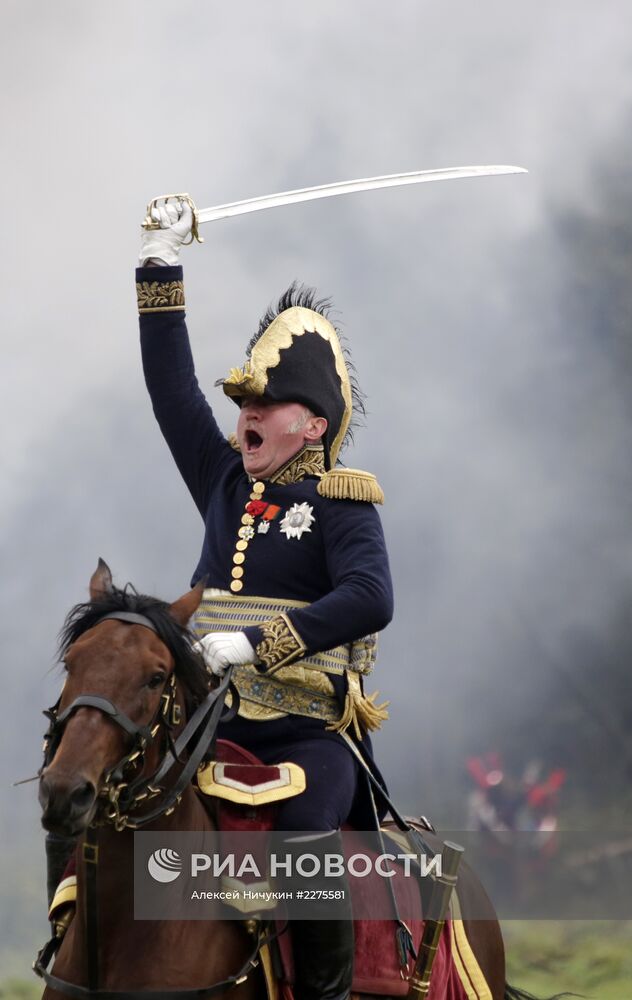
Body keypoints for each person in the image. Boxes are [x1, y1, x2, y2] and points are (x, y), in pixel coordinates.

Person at [136, 197, 394, 1000]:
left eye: (264, 404)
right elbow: (169, 386)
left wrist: (255, 644)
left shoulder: (343, 500)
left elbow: (370, 597)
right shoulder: (220, 477)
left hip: (306, 734)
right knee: (109, 802)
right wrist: (157, 269)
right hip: (209, 722)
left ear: (311, 426)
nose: (243, 413)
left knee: (303, 843)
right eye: (241, 401)